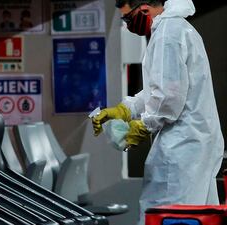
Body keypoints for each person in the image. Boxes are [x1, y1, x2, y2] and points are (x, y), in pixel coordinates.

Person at [92, 0, 224, 224]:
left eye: (128, 18)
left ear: (143, 10)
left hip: (182, 147)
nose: (128, 25)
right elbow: (162, 89)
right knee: (194, 215)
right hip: (194, 143)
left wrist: (143, 126)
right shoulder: (178, 29)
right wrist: (125, 110)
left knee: (168, 215)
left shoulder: (167, 35)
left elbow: (168, 100)